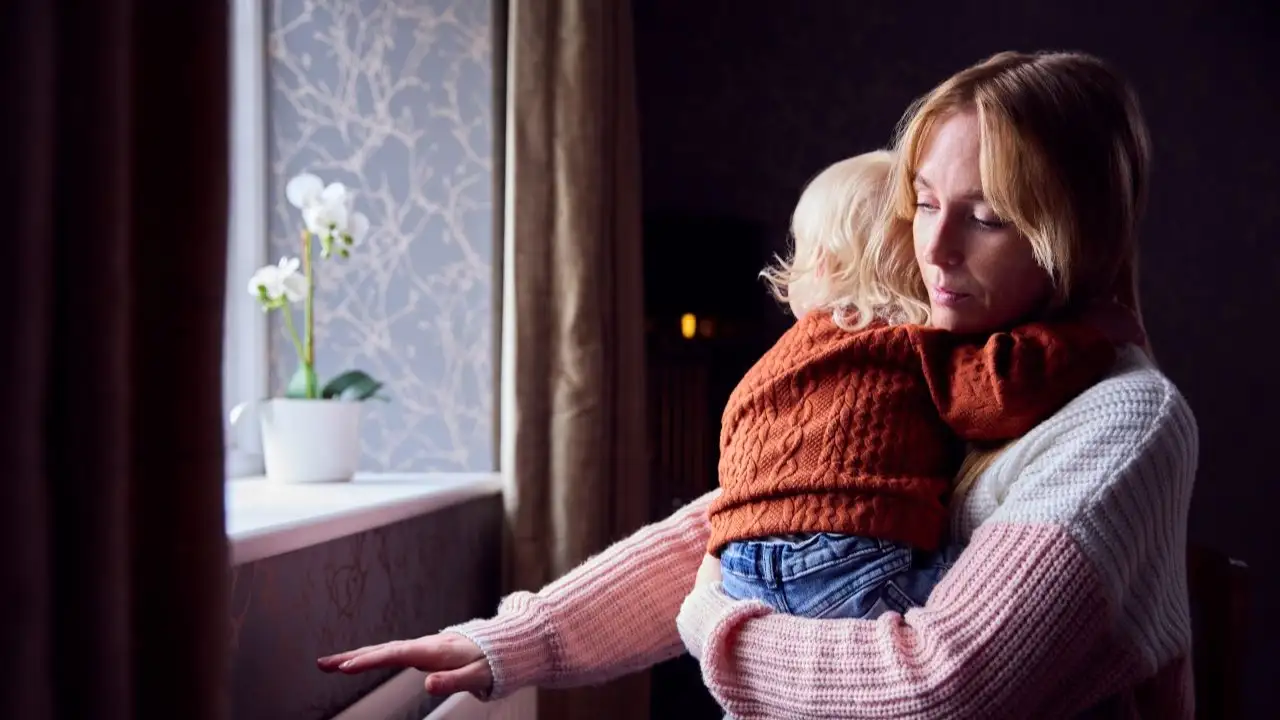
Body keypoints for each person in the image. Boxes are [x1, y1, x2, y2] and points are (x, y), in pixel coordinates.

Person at [318, 50, 1197, 719]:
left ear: (1071, 234)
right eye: (924, 201)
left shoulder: (1121, 418)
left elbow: (939, 685)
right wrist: (513, 640)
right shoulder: (951, 359)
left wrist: (715, 627)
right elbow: (761, 519)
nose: (933, 249)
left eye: (989, 216)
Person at [710, 150, 1119, 621]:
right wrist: (1091, 333)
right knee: (1011, 607)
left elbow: (736, 439)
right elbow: (1002, 390)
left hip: (738, 567)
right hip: (847, 561)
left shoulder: (777, 360)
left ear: (819, 265)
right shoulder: (909, 344)